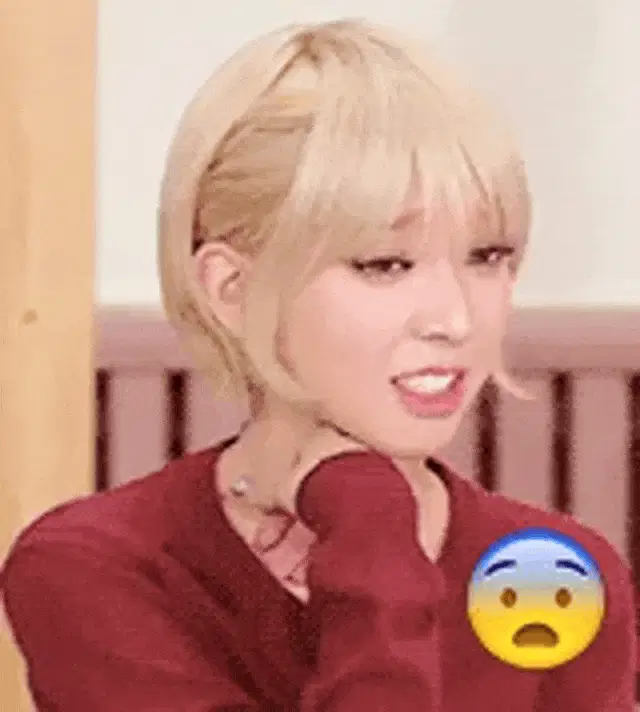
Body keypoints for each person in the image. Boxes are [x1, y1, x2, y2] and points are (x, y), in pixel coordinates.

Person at [0, 17, 636, 712]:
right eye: (384, 264)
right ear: (231, 289)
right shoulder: (96, 566)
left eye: (488, 257)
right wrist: (371, 528)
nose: (456, 321)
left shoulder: (556, 575)